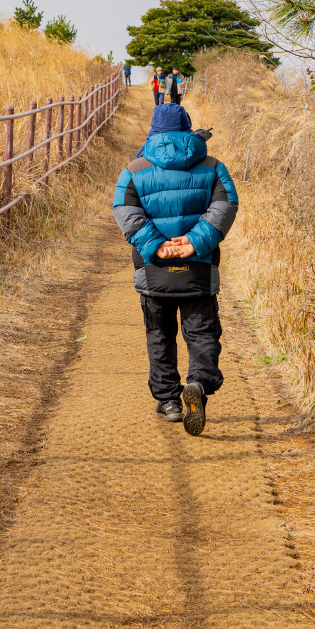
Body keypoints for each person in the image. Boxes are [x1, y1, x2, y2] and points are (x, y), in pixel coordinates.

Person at [113, 102, 238, 436]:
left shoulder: (135, 169)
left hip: (154, 270)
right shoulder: (213, 166)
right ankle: (197, 383)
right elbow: (225, 205)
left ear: (153, 132)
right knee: (202, 334)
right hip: (198, 267)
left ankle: (169, 400)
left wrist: (157, 245)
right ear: (188, 129)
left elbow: (125, 210)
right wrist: (195, 242)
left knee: (160, 335)